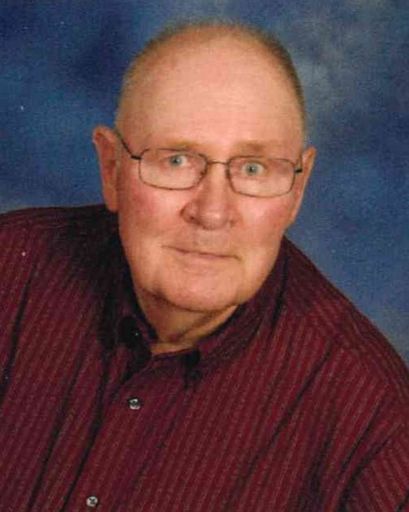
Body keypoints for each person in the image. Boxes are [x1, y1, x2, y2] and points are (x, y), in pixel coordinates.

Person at [0, 21, 408, 512]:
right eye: (176, 161)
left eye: (253, 169)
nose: (212, 212)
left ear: (297, 190)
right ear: (111, 168)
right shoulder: (10, 271)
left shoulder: (375, 425)